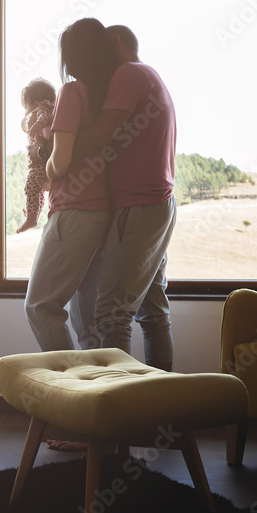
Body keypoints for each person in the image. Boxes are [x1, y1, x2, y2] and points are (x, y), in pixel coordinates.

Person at [70, 23, 177, 372]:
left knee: (112, 315)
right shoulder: (150, 76)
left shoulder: (129, 74)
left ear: (114, 43)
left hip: (137, 208)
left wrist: (52, 144)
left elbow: (101, 135)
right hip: (157, 205)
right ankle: (162, 406)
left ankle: (118, 415)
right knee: (153, 313)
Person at [23, 20, 116, 353]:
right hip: (101, 210)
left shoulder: (72, 92)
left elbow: (60, 162)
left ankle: (64, 393)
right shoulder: (106, 95)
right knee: (87, 319)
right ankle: (94, 397)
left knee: (39, 307)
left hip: (74, 208)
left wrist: (44, 166)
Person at [16, 79, 57, 234]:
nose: (26, 113)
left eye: (26, 108)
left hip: (41, 163)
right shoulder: (45, 110)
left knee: (31, 187)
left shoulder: (44, 108)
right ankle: (33, 214)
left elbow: (44, 113)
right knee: (35, 189)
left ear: (35, 104)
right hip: (42, 162)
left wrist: (39, 122)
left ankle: (32, 218)